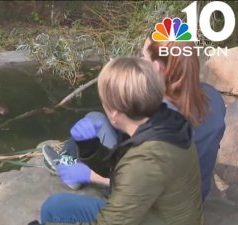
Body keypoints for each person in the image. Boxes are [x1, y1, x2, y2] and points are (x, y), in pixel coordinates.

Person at [43, 38, 226, 202]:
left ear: (157, 67)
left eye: (143, 57)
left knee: (95, 119)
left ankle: (68, 161)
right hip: (195, 197)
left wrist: (89, 175)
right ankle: (71, 151)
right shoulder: (213, 97)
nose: (139, 62)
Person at [30, 57, 204, 225]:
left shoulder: (144, 162)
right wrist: (90, 148)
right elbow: (124, 171)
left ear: (114, 113)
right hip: (158, 214)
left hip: (149, 217)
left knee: (52, 212)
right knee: (54, 207)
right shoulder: (167, 123)